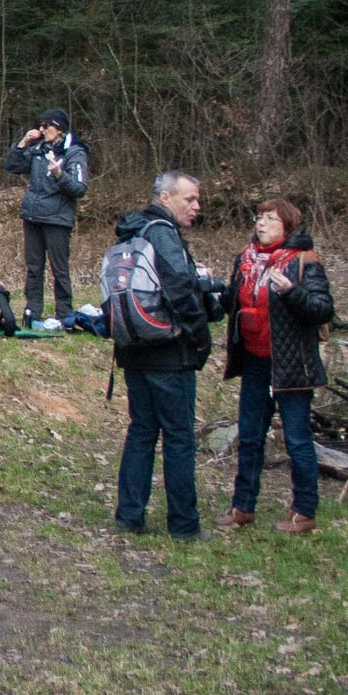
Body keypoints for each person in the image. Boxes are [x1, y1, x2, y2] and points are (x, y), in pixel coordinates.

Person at [218, 199, 335, 536]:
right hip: (255, 360)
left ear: (287, 226)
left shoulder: (303, 261)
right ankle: (243, 507)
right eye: (259, 217)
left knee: (297, 440)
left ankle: (304, 512)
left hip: (292, 364)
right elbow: (232, 301)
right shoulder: (245, 259)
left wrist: (293, 292)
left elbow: (323, 310)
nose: (262, 223)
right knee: (251, 435)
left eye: (271, 218)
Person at [112, 171, 212, 541]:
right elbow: (182, 290)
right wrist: (200, 339)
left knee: (141, 432)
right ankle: (184, 526)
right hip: (169, 353)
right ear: (166, 198)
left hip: (133, 349)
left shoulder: (131, 231)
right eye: (190, 199)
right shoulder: (162, 234)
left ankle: (129, 517)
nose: (197, 206)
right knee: (179, 438)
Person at [5, 108, 89, 324]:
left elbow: (79, 188)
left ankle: (65, 314)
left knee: (59, 268)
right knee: (34, 267)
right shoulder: (39, 149)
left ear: (59, 129)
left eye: (46, 126)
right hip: (32, 216)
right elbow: (13, 166)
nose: (41, 130)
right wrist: (23, 143)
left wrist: (60, 175)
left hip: (58, 218)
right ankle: (32, 311)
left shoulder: (74, 152)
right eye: (40, 126)